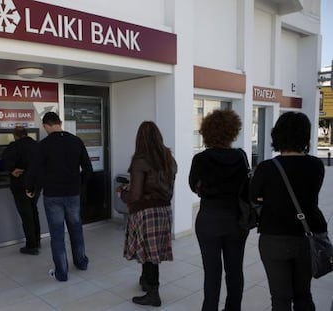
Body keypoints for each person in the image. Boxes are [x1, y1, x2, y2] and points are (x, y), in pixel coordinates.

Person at [250, 112, 327, 310]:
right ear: (305, 136)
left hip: (273, 238)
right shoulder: (317, 165)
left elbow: (254, 198)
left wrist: (270, 198)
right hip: (307, 237)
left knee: (280, 298)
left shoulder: (266, 168)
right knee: (303, 295)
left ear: (277, 136)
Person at [188, 109, 249, 311]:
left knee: (212, 272)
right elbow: (247, 188)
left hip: (208, 219)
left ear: (206, 132)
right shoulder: (241, 157)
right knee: (235, 271)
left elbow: (192, 185)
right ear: (233, 131)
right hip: (236, 220)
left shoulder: (201, 159)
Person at [117, 121, 177, 307]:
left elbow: (135, 195)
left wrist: (122, 193)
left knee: (149, 254)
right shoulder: (168, 158)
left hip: (146, 212)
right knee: (152, 250)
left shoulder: (140, 160)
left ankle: (153, 292)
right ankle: (145, 280)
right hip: (164, 210)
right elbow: (166, 188)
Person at [40, 112, 92, 282]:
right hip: (72, 194)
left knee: (57, 235)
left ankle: (62, 273)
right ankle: (81, 263)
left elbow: (36, 171)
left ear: (46, 125)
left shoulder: (44, 145)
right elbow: (87, 169)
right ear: (60, 123)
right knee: (76, 229)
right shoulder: (76, 141)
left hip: (52, 195)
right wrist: (80, 186)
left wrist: (31, 188)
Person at [3, 126, 41, 255]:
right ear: (26, 134)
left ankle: (31, 246)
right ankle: (37, 241)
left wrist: (12, 170)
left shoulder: (14, 146)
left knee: (26, 215)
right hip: (35, 184)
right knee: (34, 211)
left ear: (15, 135)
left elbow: (3, 162)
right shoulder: (37, 145)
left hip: (20, 185)